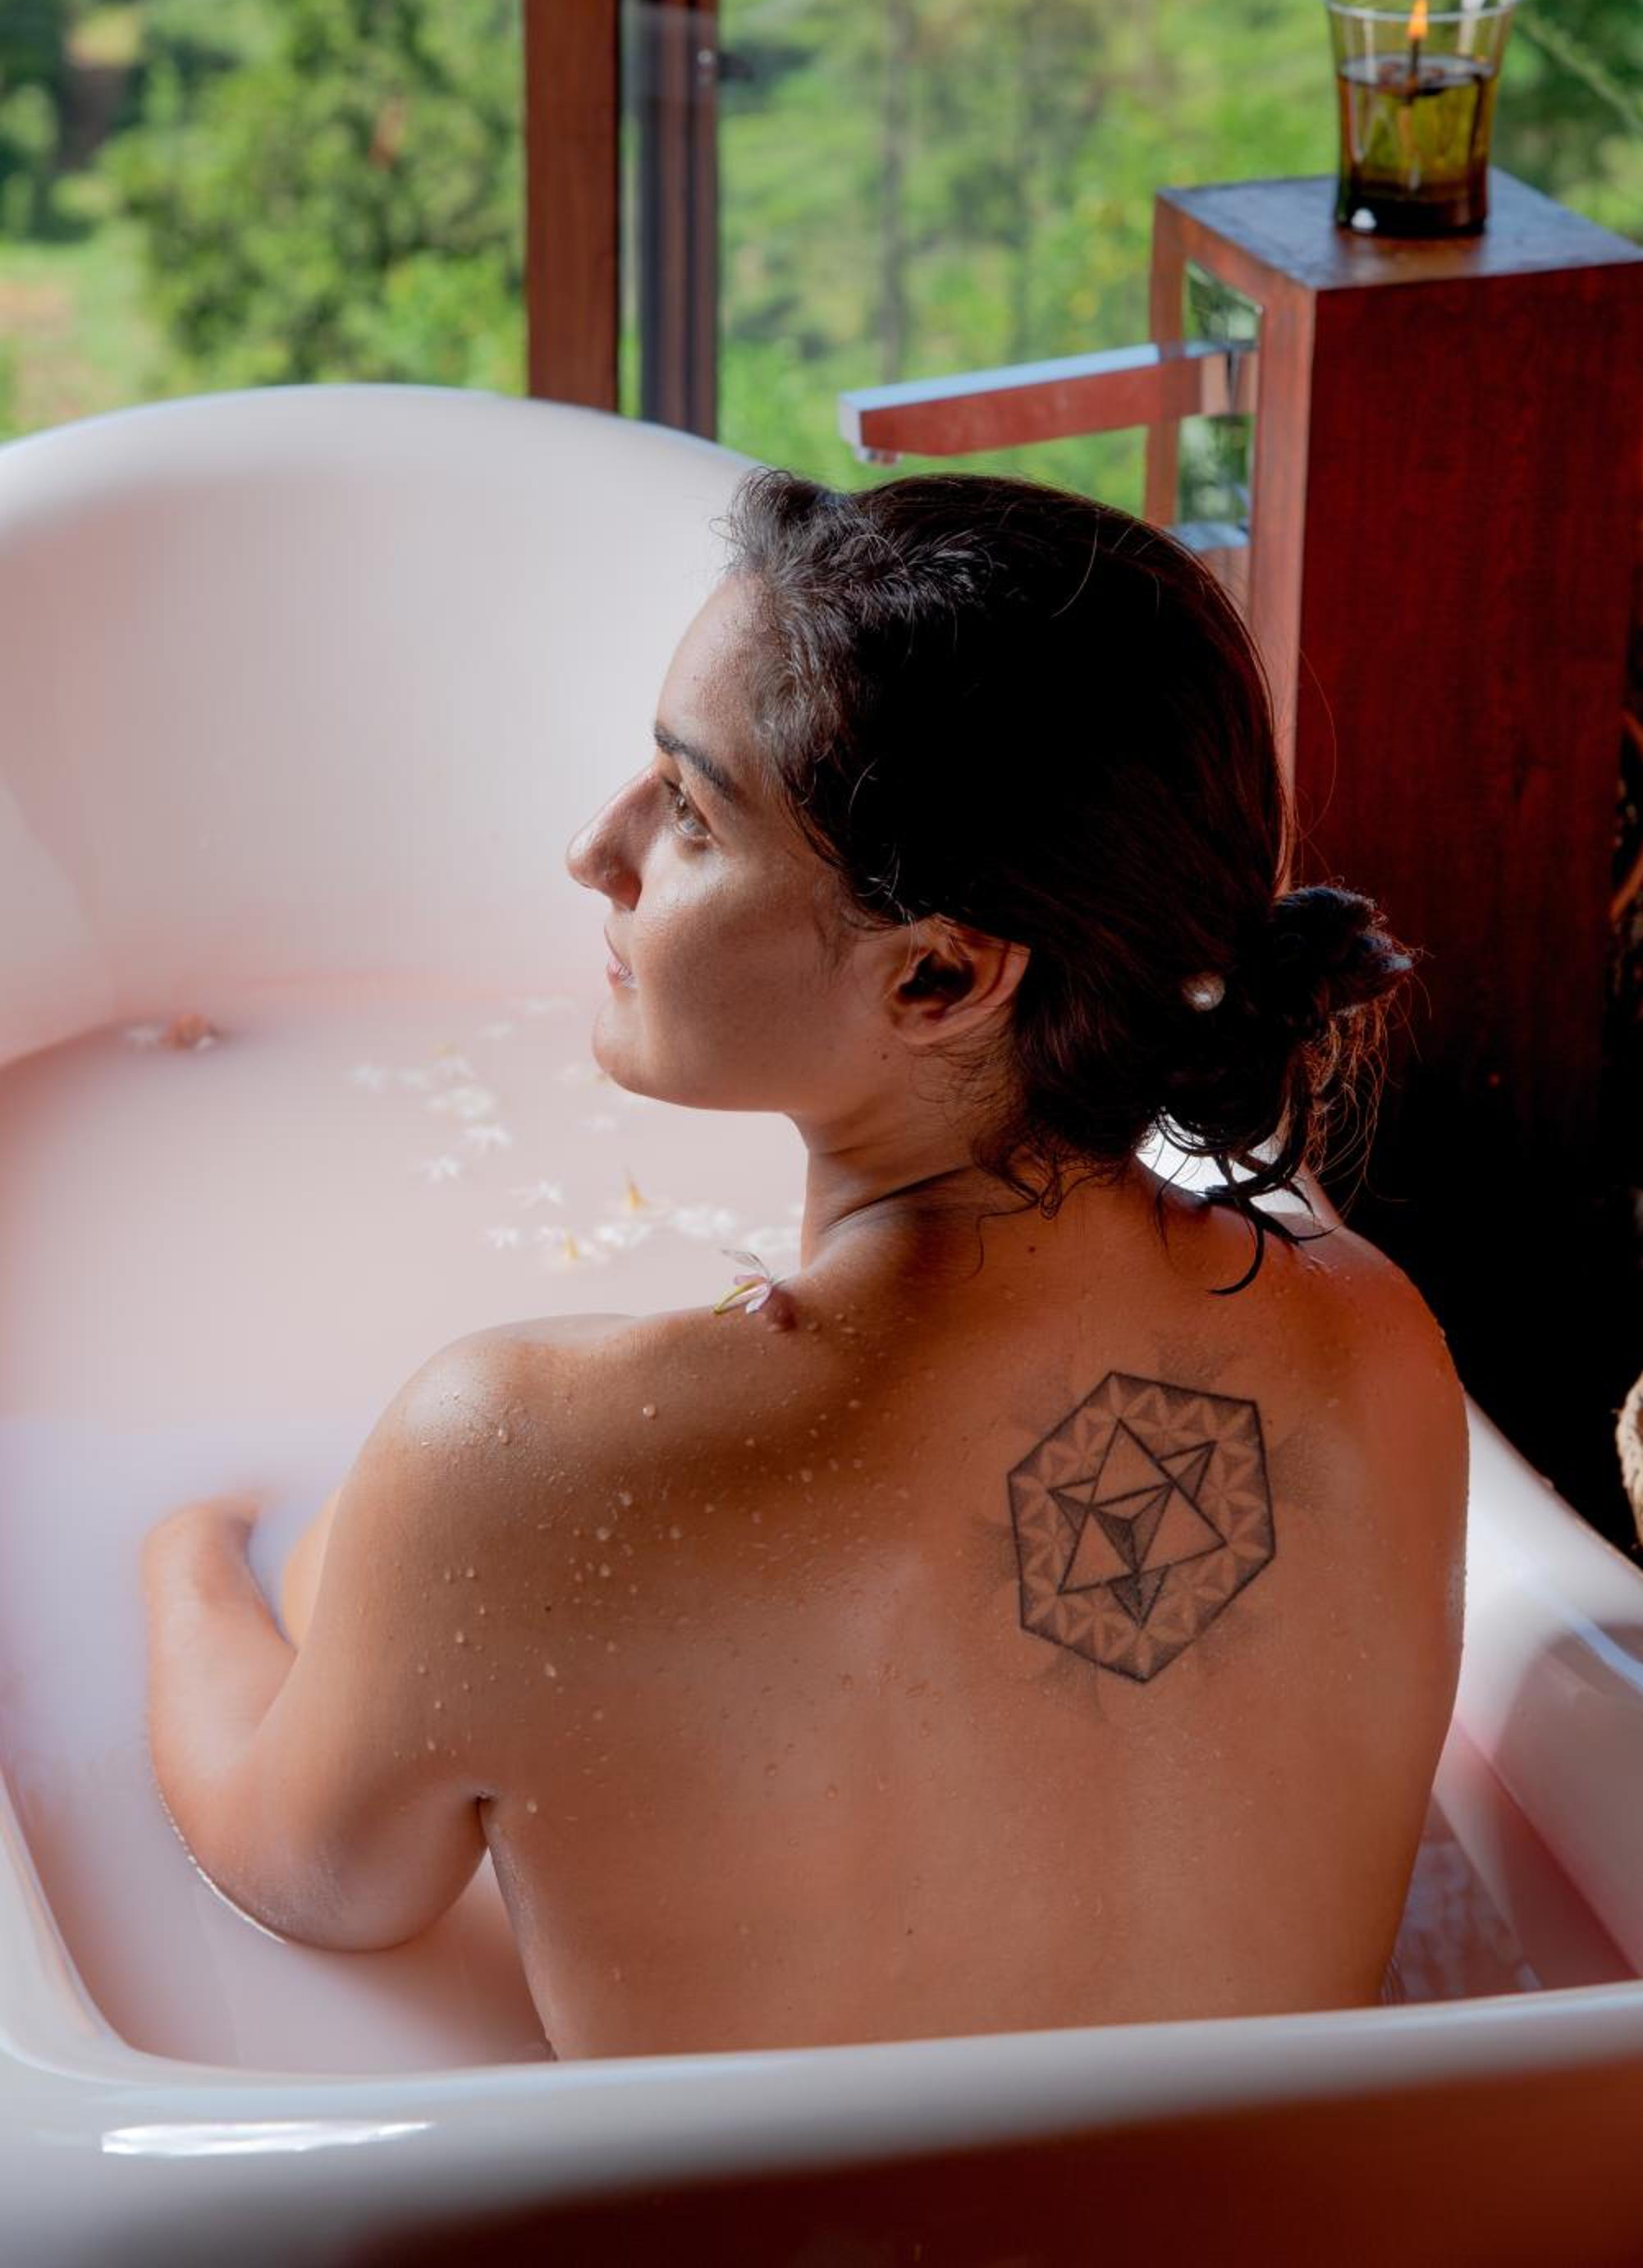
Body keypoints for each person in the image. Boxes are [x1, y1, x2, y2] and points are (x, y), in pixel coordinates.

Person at [142, 469, 1467, 2060]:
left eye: (690, 812)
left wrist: (189, 1557)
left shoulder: (522, 1458)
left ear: (936, 976)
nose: (597, 848)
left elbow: (310, 1885)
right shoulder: (1370, 1339)